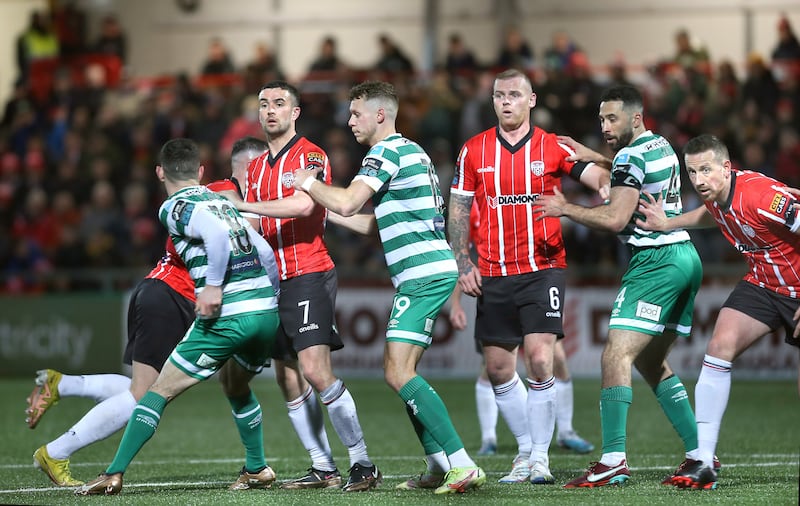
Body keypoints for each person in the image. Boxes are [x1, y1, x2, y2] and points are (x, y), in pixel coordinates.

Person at [292, 80, 486, 495]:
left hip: (421, 274)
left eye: (356, 113)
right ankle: (439, 466)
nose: (349, 121)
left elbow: (346, 201)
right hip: (429, 270)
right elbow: (367, 222)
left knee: (397, 372)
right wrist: (323, 218)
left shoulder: (386, 152)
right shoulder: (411, 152)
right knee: (404, 372)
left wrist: (308, 184)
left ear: (380, 114)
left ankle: (462, 462)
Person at [76, 138, 280, 495]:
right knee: (235, 384)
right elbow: (263, 250)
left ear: (160, 173)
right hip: (264, 312)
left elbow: (215, 236)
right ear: (200, 171)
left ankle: (113, 472)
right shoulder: (221, 201)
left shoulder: (174, 207)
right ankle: (256, 467)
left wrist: (213, 287)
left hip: (228, 317)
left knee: (157, 392)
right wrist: (272, 299)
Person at [533, 84, 705, 488]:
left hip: (656, 263)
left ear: (635, 118)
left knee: (615, 356)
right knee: (648, 361)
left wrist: (564, 208)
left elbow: (614, 220)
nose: (605, 126)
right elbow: (631, 169)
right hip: (685, 258)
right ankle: (700, 454)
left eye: (613, 118)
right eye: (602, 119)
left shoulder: (630, 155)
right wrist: (596, 157)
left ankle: (612, 459)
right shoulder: (660, 144)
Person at [448, 68, 609, 486]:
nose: (506, 102)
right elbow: (459, 209)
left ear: (532, 100)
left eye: (515, 95)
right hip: (494, 272)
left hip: (544, 269)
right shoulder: (473, 151)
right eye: (500, 95)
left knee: (540, 359)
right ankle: (525, 450)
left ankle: (540, 457)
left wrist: (603, 180)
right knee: (500, 368)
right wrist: (463, 262)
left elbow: (598, 178)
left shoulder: (554, 147)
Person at [234, 80, 379, 492]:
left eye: (279, 103)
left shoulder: (310, 155)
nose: (270, 110)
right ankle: (323, 467)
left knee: (315, 370)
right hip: (272, 283)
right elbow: (258, 222)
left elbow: (304, 205)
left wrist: (242, 204)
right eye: (263, 104)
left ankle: (363, 462)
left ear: (295, 112)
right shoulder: (258, 167)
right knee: (288, 378)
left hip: (309, 274)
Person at [635, 134, 800, 489]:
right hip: (765, 285)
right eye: (692, 172)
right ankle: (704, 462)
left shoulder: (760, 196)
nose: (698, 179)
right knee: (719, 348)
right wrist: (667, 223)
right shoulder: (716, 195)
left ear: (727, 168)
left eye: (706, 170)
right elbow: (711, 215)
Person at [447, 200, 594, 457]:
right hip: (496, 288)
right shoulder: (475, 208)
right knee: (494, 368)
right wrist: (456, 303)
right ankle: (490, 437)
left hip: (531, 284)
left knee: (551, 358)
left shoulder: (523, 195)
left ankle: (565, 432)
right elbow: (465, 258)